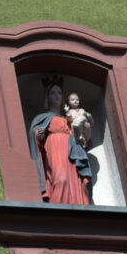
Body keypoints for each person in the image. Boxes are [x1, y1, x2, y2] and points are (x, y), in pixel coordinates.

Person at [28, 76, 93, 204]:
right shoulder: (43, 117)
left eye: (59, 93)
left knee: (74, 181)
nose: (57, 96)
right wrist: (39, 134)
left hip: (71, 150)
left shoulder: (68, 119)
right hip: (54, 148)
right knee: (60, 179)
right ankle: (56, 208)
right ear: (47, 97)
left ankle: (77, 206)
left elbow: (82, 137)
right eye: (53, 93)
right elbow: (35, 135)